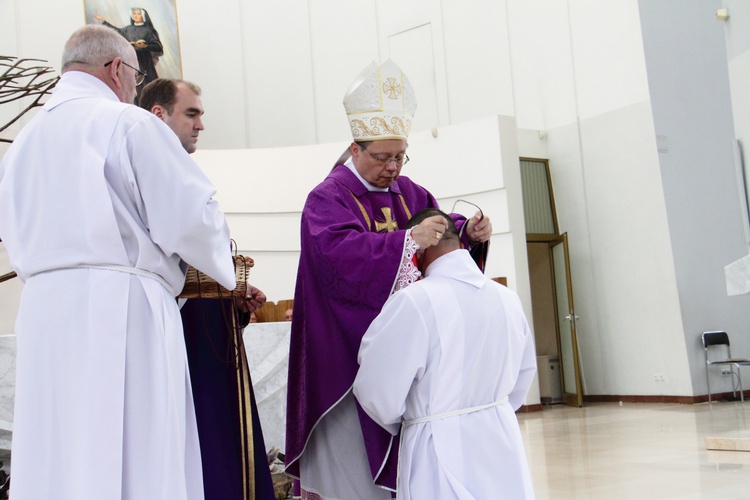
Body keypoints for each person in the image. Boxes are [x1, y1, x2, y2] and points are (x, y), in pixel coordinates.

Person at [0, 25, 241, 499]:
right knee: (135, 440)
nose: (134, 86)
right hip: (123, 304)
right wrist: (217, 253)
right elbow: (192, 215)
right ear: (115, 69)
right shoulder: (128, 123)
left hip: (45, 309)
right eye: (133, 74)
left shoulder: (24, 143)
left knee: (59, 441)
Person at [284, 60, 493, 498]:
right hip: (345, 361)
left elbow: (439, 233)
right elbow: (336, 258)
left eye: (400, 155)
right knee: (357, 482)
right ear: (355, 150)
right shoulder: (327, 198)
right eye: (382, 157)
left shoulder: (413, 194)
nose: (393, 167)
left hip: (412, 366)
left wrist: (467, 234)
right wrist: (404, 242)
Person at [139, 78, 276, 500]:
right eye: (191, 113)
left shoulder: (180, 168)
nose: (200, 125)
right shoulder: (144, 168)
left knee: (223, 435)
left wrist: (232, 294)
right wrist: (223, 280)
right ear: (158, 115)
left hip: (207, 331)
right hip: (171, 332)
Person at [353, 209, 537, 499]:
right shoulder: (507, 298)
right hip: (502, 437)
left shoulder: (414, 301)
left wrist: (413, 417)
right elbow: (523, 377)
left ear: (420, 249)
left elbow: (378, 391)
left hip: (438, 442)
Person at [94, 7, 163, 96]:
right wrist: (104, 21)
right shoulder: (127, 29)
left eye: (138, 14)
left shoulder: (149, 31)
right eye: (134, 14)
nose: (136, 16)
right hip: (130, 61)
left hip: (145, 62)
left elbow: (158, 47)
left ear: (143, 16)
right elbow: (116, 31)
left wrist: (145, 46)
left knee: (147, 86)